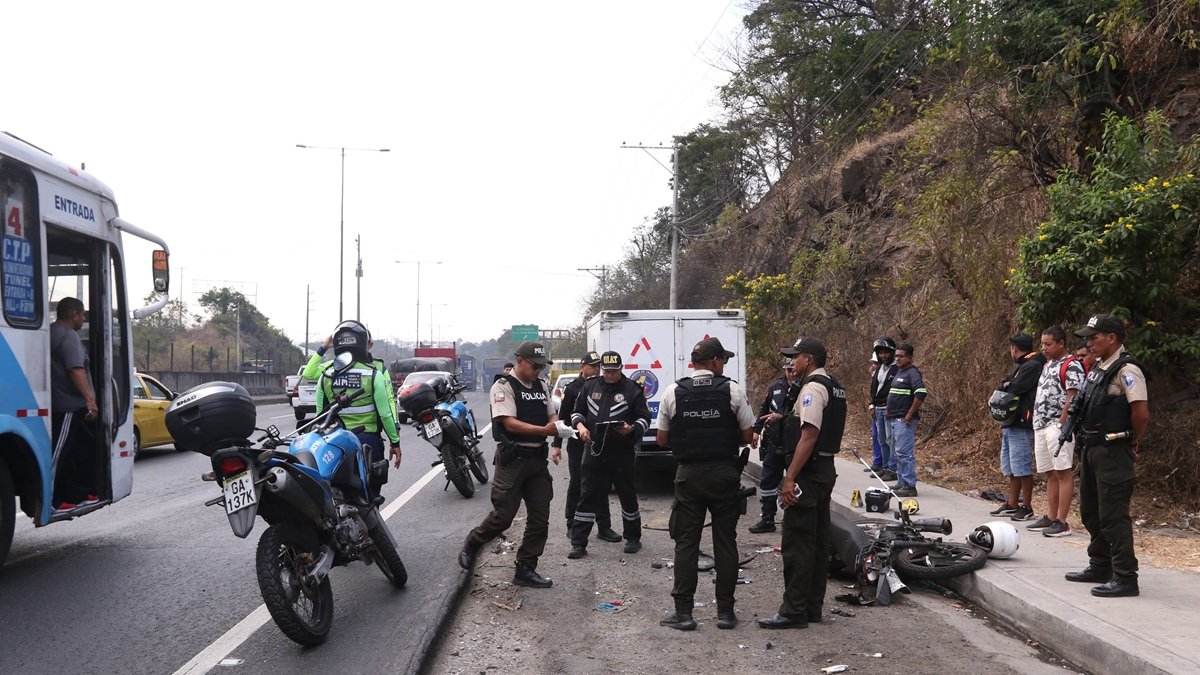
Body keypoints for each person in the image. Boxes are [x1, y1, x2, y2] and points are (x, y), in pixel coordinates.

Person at [655, 337, 755, 631]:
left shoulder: (674, 391)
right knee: (725, 542)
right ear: (713, 362)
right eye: (722, 360)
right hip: (724, 474)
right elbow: (749, 436)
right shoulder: (732, 390)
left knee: (686, 544)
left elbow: (661, 439)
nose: (723, 365)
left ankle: (684, 613)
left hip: (689, 476)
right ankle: (725, 613)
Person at [459, 342, 564, 588]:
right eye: (534, 365)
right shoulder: (503, 386)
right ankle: (474, 541)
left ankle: (526, 568)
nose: (538, 370)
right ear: (519, 361)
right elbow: (509, 423)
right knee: (503, 517)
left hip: (537, 460)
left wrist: (557, 428)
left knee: (540, 518)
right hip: (513, 461)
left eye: (541, 366)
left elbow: (551, 414)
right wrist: (544, 430)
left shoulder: (541, 386)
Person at [759, 337, 846, 629]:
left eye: (795, 357)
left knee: (798, 542)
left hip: (808, 472)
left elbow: (808, 435)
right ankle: (811, 608)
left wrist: (790, 477)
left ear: (809, 359)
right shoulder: (836, 387)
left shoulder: (812, 388)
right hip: (825, 468)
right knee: (819, 541)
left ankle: (793, 611)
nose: (791, 363)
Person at [1065, 314, 1148, 598]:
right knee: (1091, 511)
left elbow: (1140, 413)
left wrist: (1132, 440)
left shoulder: (1127, 370)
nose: (1089, 342)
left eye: (1094, 337)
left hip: (1113, 451)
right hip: (1092, 449)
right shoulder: (1099, 368)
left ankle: (1125, 577)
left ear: (1112, 337)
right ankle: (1100, 565)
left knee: (1113, 515)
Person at [568, 350, 652, 558]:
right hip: (594, 449)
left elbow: (644, 419)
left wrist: (632, 429)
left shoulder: (632, 390)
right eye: (606, 371)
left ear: (621, 369)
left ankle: (633, 537)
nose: (609, 375)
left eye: (613, 372)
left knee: (626, 493)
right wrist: (581, 427)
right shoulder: (590, 385)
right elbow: (576, 412)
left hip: (621, 451)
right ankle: (579, 543)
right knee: (587, 494)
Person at [316, 321, 402, 499]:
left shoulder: (326, 375)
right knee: (371, 494)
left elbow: (321, 415)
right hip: (367, 440)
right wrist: (395, 442)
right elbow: (385, 414)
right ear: (363, 344)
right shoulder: (372, 374)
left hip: (335, 442)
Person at [553, 352, 620, 542]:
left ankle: (604, 526)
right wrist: (556, 445)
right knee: (577, 484)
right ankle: (571, 524)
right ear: (582, 366)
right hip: (577, 444)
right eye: (592, 366)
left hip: (599, 443)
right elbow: (563, 418)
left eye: (598, 365)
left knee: (601, 485)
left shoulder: (604, 385)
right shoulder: (573, 389)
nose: (596, 369)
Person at [1028, 327, 1086, 537]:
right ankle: (1051, 517)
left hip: (1057, 425)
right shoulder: (1047, 365)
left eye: (1048, 344)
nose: (1044, 348)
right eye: (1043, 344)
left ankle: (1062, 520)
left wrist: (1062, 423)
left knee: (1062, 471)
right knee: (1049, 472)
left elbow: (1073, 396)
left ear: (1061, 343)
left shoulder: (1071, 365)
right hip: (1041, 424)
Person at [990, 334, 1046, 521]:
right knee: (1011, 466)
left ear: (1015, 348)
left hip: (1022, 422)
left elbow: (1014, 388)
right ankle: (1012, 503)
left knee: (1022, 466)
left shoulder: (1033, 366)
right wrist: (1006, 384)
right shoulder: (1021, 366)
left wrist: (1007, 385)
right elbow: (1002, 385)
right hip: (1010, 422)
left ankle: (1027, 506)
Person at [50, 297, 98, 510]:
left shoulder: (51, 331)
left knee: (74, 452)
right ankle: (50, 499)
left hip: (62, 403)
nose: (84, 319)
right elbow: (75, 369)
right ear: (74, 315)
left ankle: (74, 493)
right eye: (83, 315)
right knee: (58, 454)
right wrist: (90, 400)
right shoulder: (68, 336)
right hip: (67, 405)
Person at [747, 357, 796, 533]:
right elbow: (763, 410)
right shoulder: (775, 387)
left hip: (794, 445)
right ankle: (767, 518)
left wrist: (782, 417)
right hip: (773, 443)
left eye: (794, 370)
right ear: (784, 370)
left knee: (795, 482)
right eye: (788, 370)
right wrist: (756, 431)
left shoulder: (805, 388)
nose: (792, 373)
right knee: (768, 480)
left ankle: (792, 521)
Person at [885, 343, 926, 497]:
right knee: (898, 452)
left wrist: (909, 414)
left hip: (904, 420)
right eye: (896, 356)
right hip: (894, 419)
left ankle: (909, 485)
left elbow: (921, 392)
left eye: (901, 356)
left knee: (904, 453)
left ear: (909, 357)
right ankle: (902, 482)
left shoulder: (912, 373)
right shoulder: (899, 372)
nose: (897, 359)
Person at [868, 337, 899, 481]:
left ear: (892, 352)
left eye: (886, 352)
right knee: (881, 439)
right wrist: (872, 404)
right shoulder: (880, 367)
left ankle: (892, 468)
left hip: (889, 408)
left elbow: (894, 390)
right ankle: (885, 466)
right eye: (880, 353)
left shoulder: (897, 369)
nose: (883, 355)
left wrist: (890, 406)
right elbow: (874, 387)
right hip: (878, 408)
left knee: (890, 439)